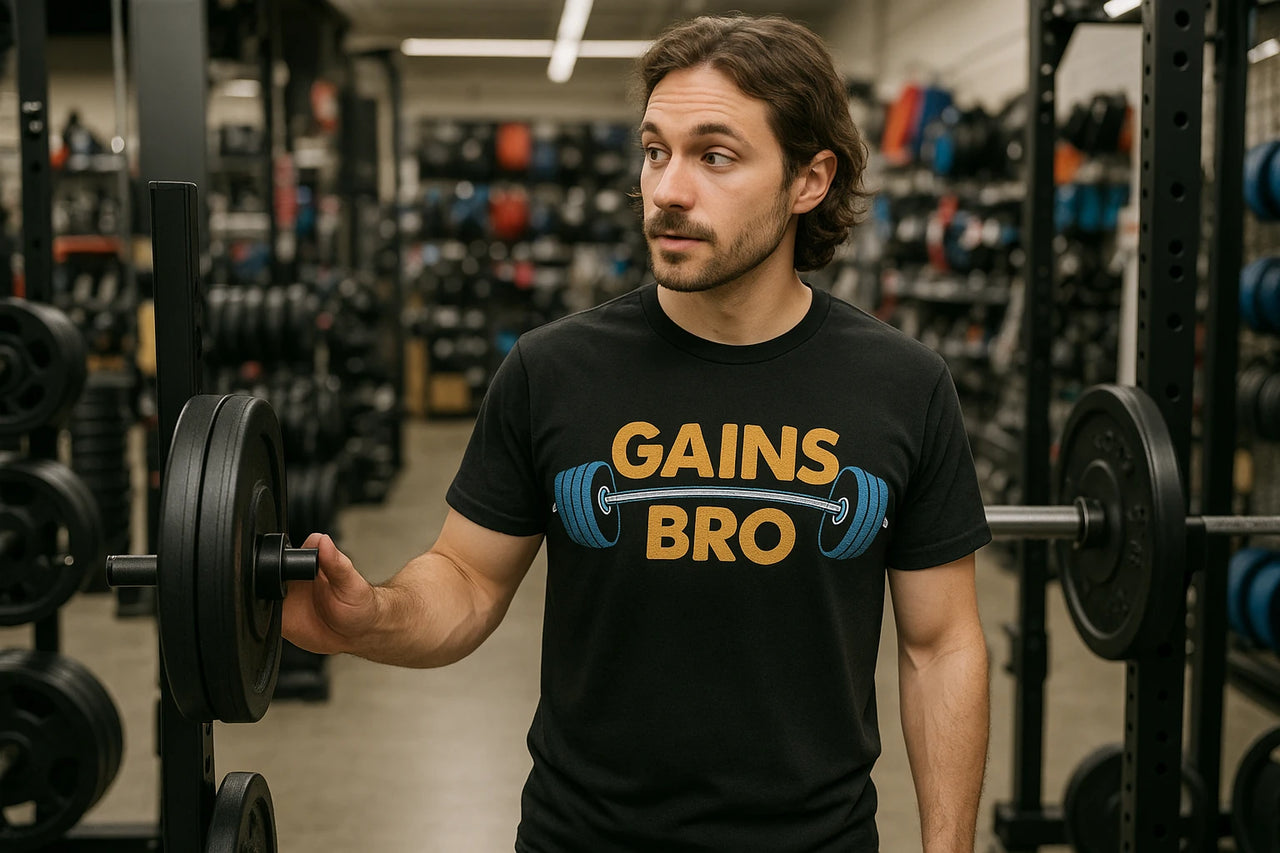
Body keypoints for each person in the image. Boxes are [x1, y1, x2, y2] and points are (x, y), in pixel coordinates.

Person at [284, 13, 991, 852]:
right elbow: (467, 579)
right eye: (656, 151)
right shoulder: (553, 369)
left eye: (714, 156)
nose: (667, 190)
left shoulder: (903, 386)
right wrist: (373, 616)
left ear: (810, 179)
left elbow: (940, 646)